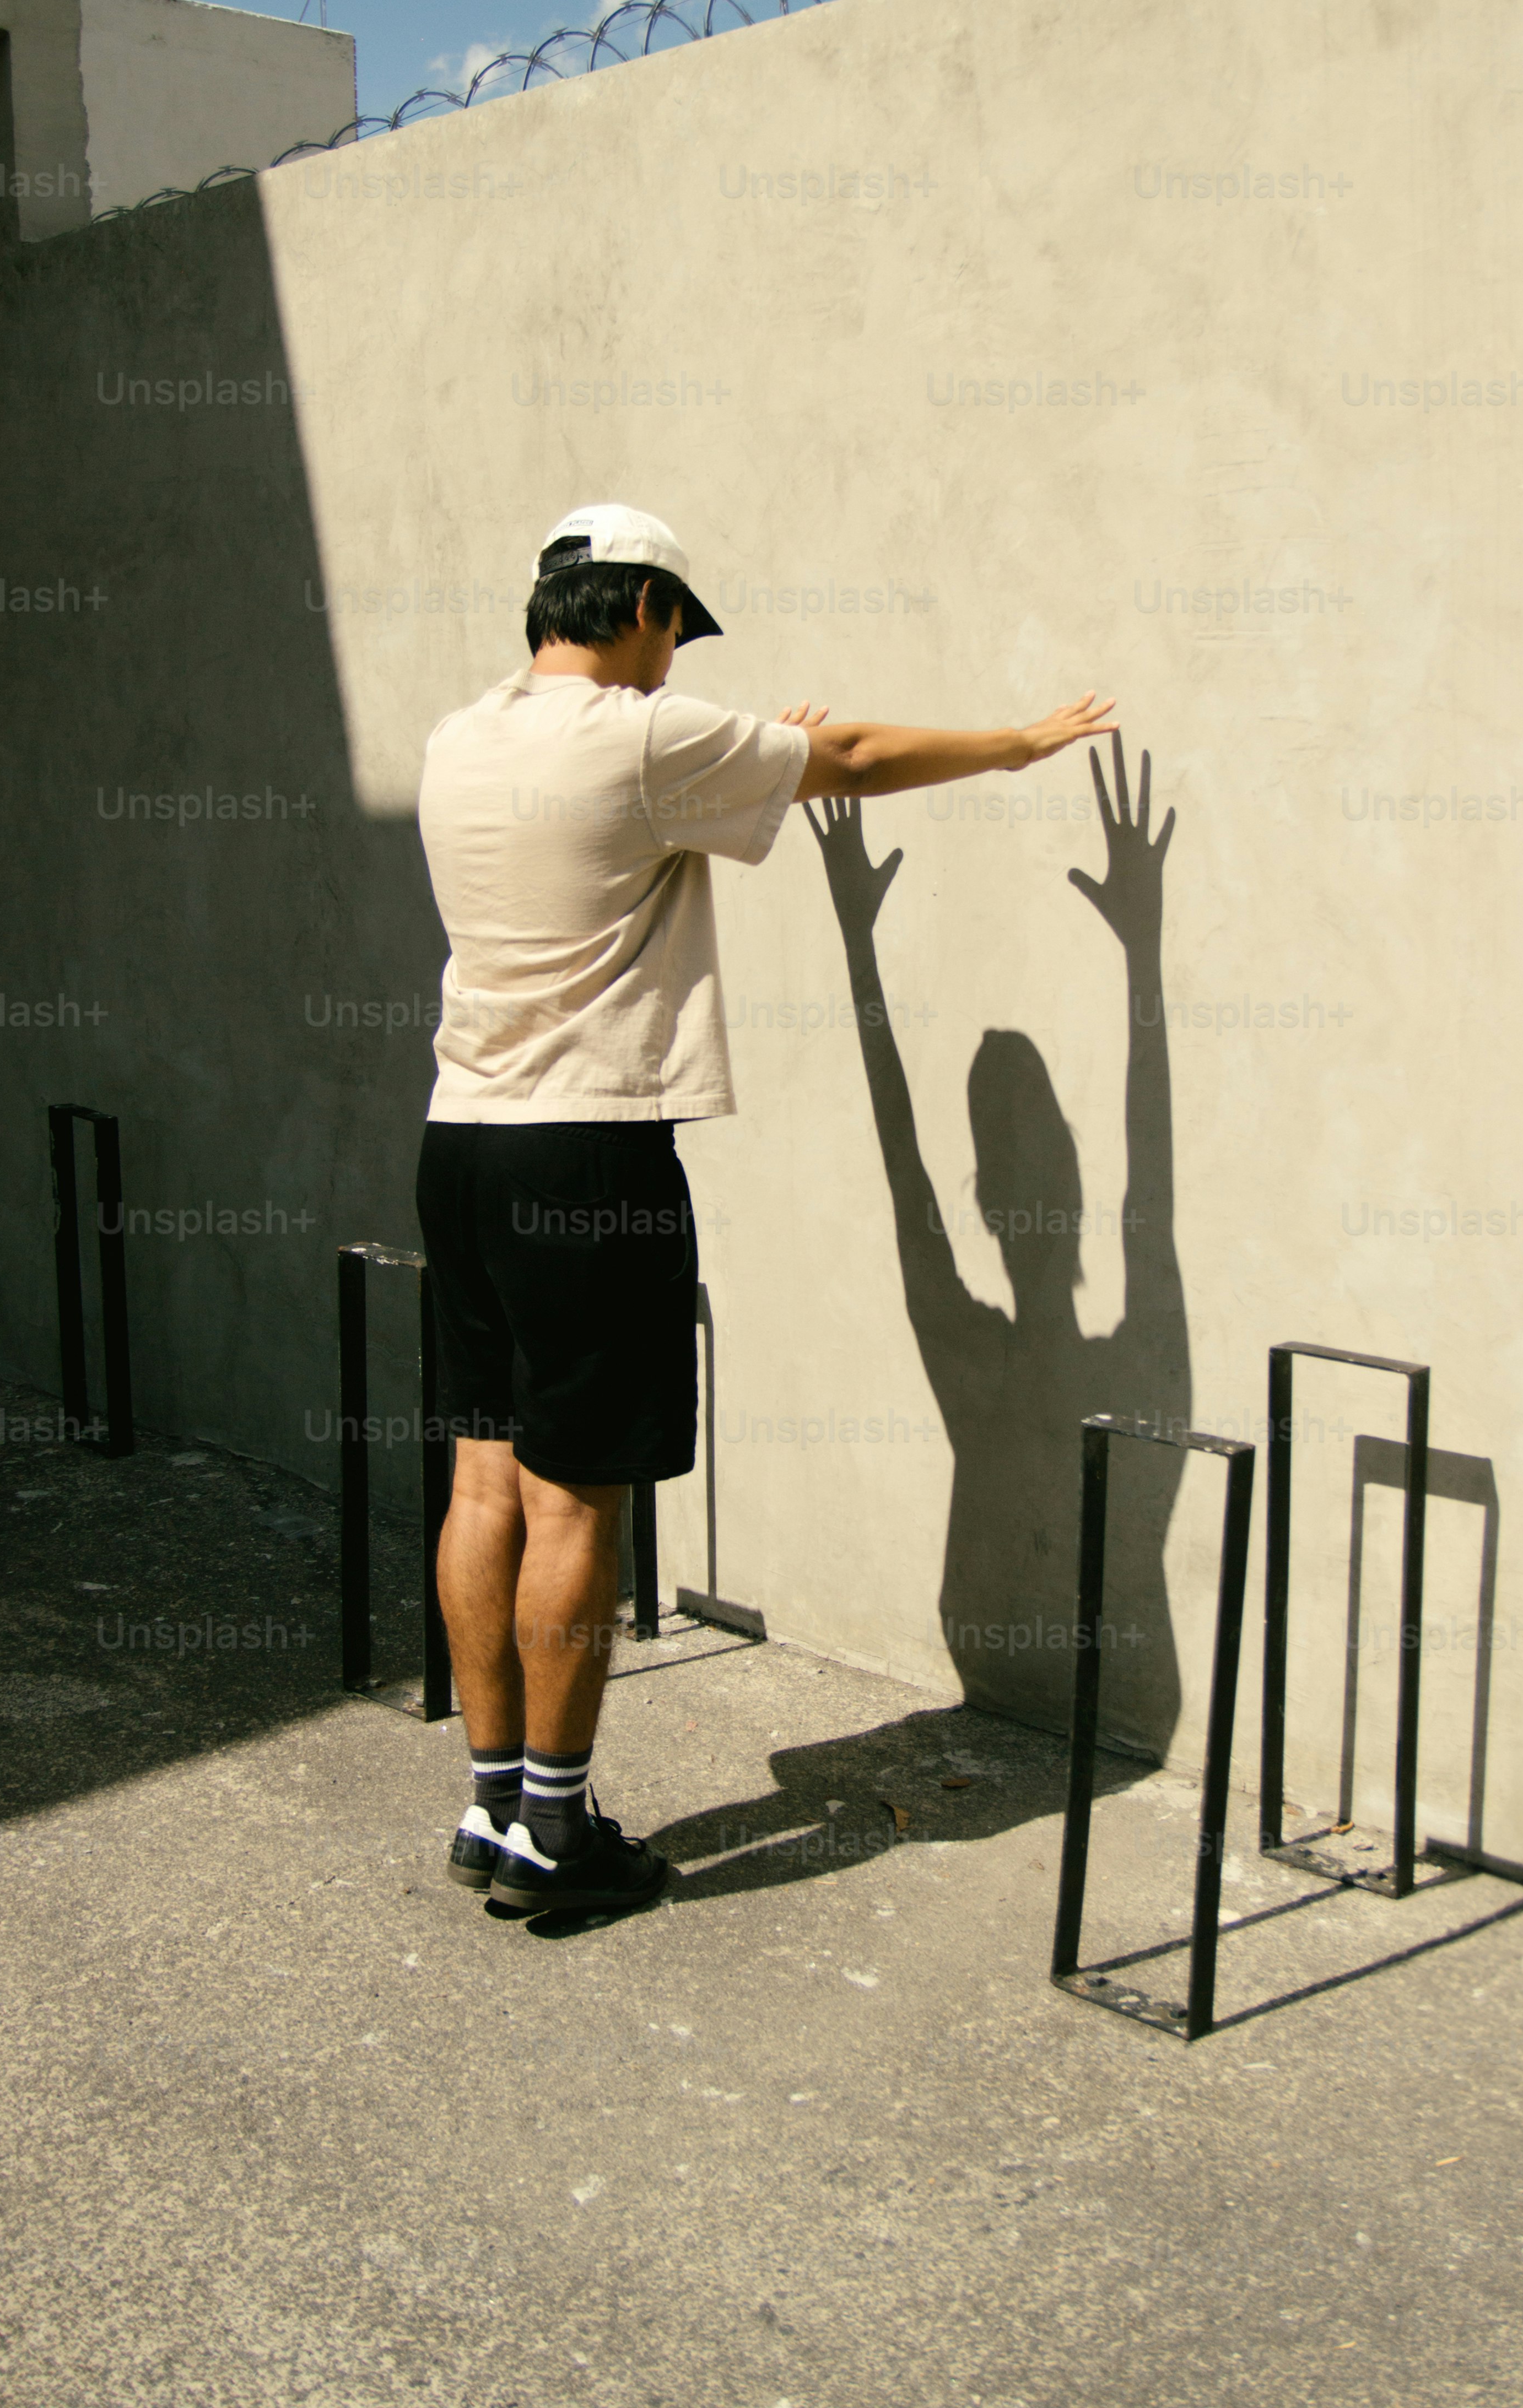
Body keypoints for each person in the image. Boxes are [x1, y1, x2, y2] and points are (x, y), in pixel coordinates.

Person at [414, 503, 1115, 1916]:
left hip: (462, 1145)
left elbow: (742, 777)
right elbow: (845, 756)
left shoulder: (463, 735)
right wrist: (1018, 743)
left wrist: (766, 771)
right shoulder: (643, 736)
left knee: (482, 1475)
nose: (680, 662)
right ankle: (557, 1829)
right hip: (587, 1162)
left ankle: (495, 1805)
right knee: (575, 1490)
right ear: (644, 607)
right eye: (678, 629)